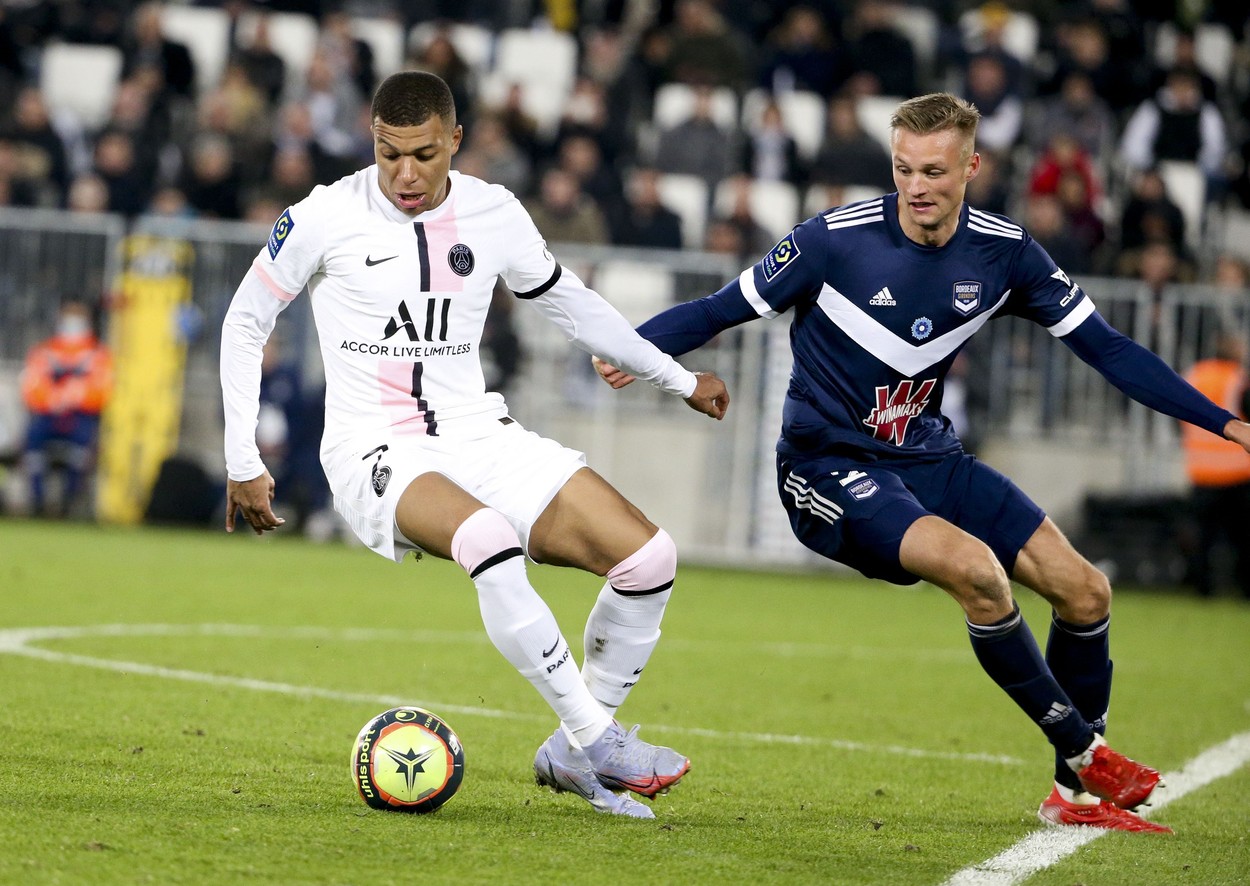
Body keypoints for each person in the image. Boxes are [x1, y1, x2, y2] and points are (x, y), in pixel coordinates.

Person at [597, 92, 1250, 834]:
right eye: (904, 169)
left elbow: (1108, 350)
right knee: (977, 571)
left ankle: (1071, 798)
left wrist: (1227, 423)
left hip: (928, 455)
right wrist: (636, 349)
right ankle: (1083, 752)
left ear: (972, 166)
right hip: (826, 464)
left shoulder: (1006, 254)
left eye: (935, 171)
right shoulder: (832, 241)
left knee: (1085, 591)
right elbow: (720, 308)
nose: (917, 187)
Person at [220, 71, 729, 819]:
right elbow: (244, 321)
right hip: (374, 447)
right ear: (373, 140)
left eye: (423, 154)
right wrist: (243, 457)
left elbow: (570, 304)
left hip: (477, 432)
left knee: (649, 560)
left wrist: (675, 379)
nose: (405, 173)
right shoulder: (325, 215)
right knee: (488, 539)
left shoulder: (494, 213)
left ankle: (568, 748)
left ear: (455, 141)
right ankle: (599, 739)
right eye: (389, 153)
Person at [19, 301, 112, 517]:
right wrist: (54, 397)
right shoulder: (45, 351)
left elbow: (102, 391)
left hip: (82, 417)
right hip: (48, 415)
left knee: (83, 444)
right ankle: (38, 500)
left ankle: (70, 499)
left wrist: (78, 395)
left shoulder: (97, 353)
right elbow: (32, 387)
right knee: (33, 440)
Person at [1180, 334, 1250, 599]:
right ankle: (1244, 589)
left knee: (1203, 538)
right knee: (1243, 538)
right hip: (1237, 473)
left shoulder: (1194, 375)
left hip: (1201, 471)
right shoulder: (1239, 379)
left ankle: (1202, 589)